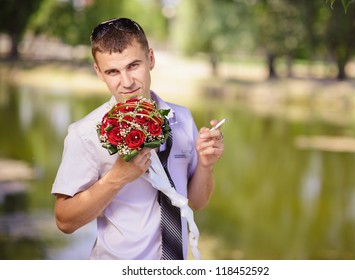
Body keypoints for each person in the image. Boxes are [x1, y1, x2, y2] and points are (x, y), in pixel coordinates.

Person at [51, 18, 225, 260]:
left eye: (133, 65)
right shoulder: (86, 133)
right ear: (99, 72)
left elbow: (196, 202)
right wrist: (115, 179)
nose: (127, 82)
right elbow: (64, 221)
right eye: (112, 71)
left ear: (150, 58)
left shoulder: (182, 118)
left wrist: (207, 164)